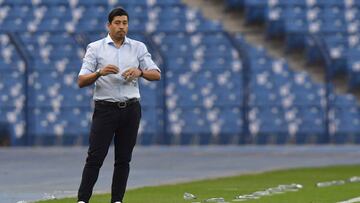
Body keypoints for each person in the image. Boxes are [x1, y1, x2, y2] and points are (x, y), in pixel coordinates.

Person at [77, 7, 161, 203]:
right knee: (95, 157)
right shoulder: (95, 48)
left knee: (123, 159)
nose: (121, 27)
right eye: (117, 23)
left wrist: (140, 72)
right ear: (109, 25)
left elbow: (156, 74)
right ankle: (82, 200)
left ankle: (117, 200)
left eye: (125, 23)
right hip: (105, 109)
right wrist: (99, 72)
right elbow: (81, 80)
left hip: (130, 109)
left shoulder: (138, 47)